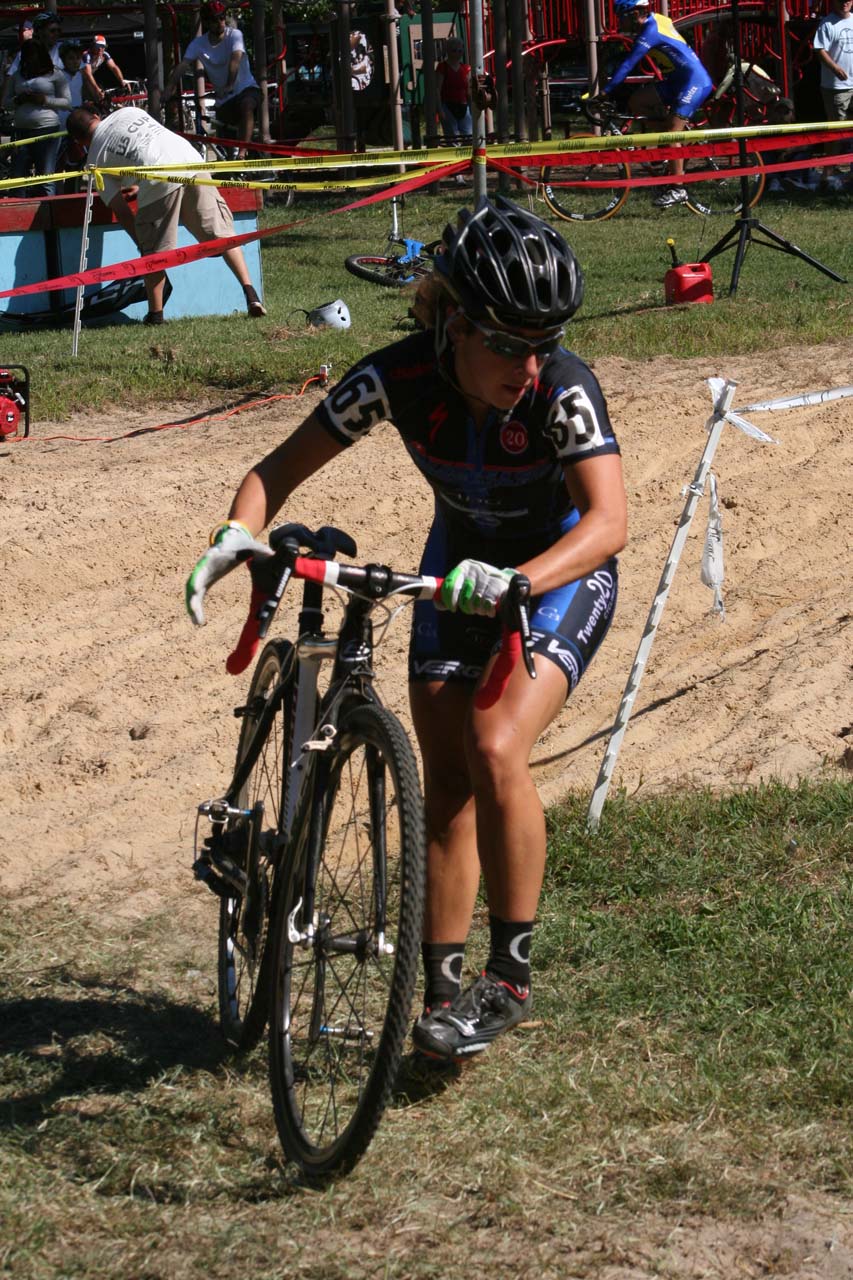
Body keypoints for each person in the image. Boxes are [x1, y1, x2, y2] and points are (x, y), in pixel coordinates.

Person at [184, 197, 627, 1062]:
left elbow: (607, 523)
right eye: (505, 341)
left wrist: (520, 581)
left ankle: (508, 979)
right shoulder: (394, 378)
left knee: (497, 743)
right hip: (455, 565)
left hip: (557, 571)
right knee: (446, 783)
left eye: (542, 341)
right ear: (451, 322)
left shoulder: (563, 386)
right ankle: (439, 1001)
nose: (528, 364)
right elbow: (273, 471)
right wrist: (234, 534)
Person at [66, 105, 266, 323]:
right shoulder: (128, 111)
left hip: (157, 179)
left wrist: (141, 241)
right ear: (97, 116)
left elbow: (121, 210)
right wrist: (140, 184)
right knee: (223, 234)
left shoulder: (95, 160)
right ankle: (251, 294)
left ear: (80, 142)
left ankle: (156, 314)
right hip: (190, 160)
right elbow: (148, 145)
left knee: (155, 255)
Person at [596, 0, 713, 207]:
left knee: (671, 132)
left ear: (634, 14)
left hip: (694, 81)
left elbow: (628, 65)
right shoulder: (658, 19)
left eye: (621, 16)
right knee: (637, 101)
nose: (621, 22)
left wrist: (605, 91)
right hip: (677, 80)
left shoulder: (649, 32)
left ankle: (678, 188)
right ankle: (674, 141)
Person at [164, 0, 261, 162]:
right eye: (216, 19)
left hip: (247, 89)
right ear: (207, 23)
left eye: (222, 17)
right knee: (224, 137)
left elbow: (235, 59)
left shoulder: (235, 35)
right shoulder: (199, 44)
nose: (221, 22)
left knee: (247, 104)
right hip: (224, 99)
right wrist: (168, 89)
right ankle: (231, 164)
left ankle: (243, 154)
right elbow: (182, 66)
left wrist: (229, 84)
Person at [10, 38, 70, 197]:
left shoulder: (56, 74)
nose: (30, 60)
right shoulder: (17, 75)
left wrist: (44, 100)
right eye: (27, 57)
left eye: (33, 56)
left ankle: (50, 215)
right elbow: (5, 102)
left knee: (45, 177)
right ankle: (18, 216)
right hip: (21, 131)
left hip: (48, 131)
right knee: (17, 177)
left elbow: (67, 102)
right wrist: (18, 100)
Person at [813, 0, 853, 190]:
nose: (844, 3)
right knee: (836, 131)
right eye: (840, 0)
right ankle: (827, 175)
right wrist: (835, 67)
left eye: (848, 0)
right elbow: (820, 50)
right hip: (836, 87)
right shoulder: (827, 24)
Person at [436, 35, 472, 184]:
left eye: (460, 49)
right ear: (448, 51)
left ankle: (465, 167)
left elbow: (469, 90)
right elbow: (437, 90)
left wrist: (473, 108)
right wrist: (440, 110)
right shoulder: (442, 67)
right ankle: (457, 174)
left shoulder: (466, 68)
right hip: (448, 106)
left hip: (464, 107)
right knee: (453, 140)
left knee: (468, 138)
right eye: (455, 50)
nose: (458, 52)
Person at [80, 34, 130, 106]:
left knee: (102, 96)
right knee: (96, 96)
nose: (100, 49)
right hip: (80, 80)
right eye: (98, 46)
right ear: (93, 46)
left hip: (87, 79)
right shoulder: (87, 55)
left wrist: (122, 81)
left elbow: (114, 67)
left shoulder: (104, 54)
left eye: (103, 47)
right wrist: (97, 89)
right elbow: (88, 74)